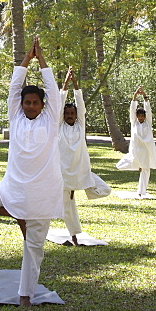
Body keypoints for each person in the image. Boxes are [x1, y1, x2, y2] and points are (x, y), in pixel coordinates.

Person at [0, 37, 62, 306]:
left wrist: (41, 60)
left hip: (43, 193)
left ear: (43, 105)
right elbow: (13, 88)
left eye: (35, 103)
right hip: (13, 189)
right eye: (27, 102)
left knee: (34, 250)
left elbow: (53, 91)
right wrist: (24, 61)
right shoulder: (16, 117)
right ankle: (18, 214)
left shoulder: (52, 120)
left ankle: (25, 295)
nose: (30, 106)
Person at [57, 68, 111, 244]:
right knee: (68, 207)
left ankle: (81, 188)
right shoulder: (59, 126)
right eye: (67, 114)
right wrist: (65, 85)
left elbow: (81, 106)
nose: (70, 116)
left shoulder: (81, 125)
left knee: (105, 189)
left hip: (81, 172)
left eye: (72, 114)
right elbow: (59, 105)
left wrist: (75, 85)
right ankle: (73, 237)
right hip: (64, 174)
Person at [116, 86, 156, 197]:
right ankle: (136, 166)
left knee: (146, 170)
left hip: (145, 150)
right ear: (136, 116)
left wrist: (145, 96)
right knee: (122, 165)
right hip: (135, 150)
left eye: (142, 116)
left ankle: (142, 192)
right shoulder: (134, 123)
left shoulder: (147, 123)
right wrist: (135, 95)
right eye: (139, 116)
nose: (140, 118)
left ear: (144, 117)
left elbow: (149, 110)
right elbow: (132, 109)